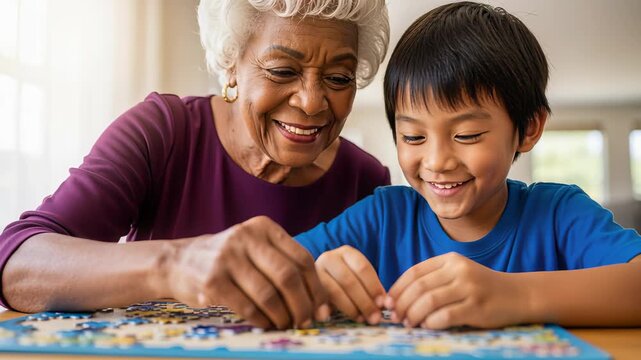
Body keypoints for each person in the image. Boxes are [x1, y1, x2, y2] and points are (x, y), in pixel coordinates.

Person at [0, 0, 391, 330]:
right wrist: (173, 264)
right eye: (282, 71)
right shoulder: (164, 131)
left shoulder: (366, 180)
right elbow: (17, 264)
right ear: (231, 64)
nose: (311, 102)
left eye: (338, 77)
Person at [296, 1, 641, 329]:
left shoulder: (559, 214)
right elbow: (269, 273)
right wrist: (320, 275)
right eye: (414, 137)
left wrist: (512, 295)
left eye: (467, 135)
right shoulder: (383, 217)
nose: (437, 162)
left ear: (529, 128)